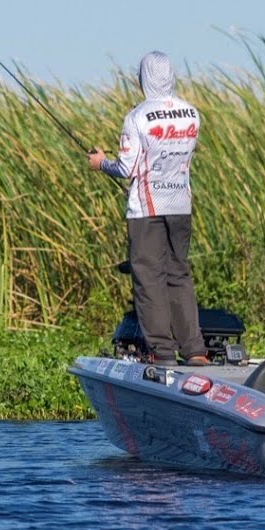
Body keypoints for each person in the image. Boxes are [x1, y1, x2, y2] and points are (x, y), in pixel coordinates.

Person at [88, 51, 208, 366]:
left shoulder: (137, 117)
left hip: (146, 210)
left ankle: (162, 351)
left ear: (143, 79)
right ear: (170, 77)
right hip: (181, 204)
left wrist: (101, 163)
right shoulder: (191, 113)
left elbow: (127, 168)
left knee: (149, 277)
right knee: (178, 273)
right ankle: (194, 349)